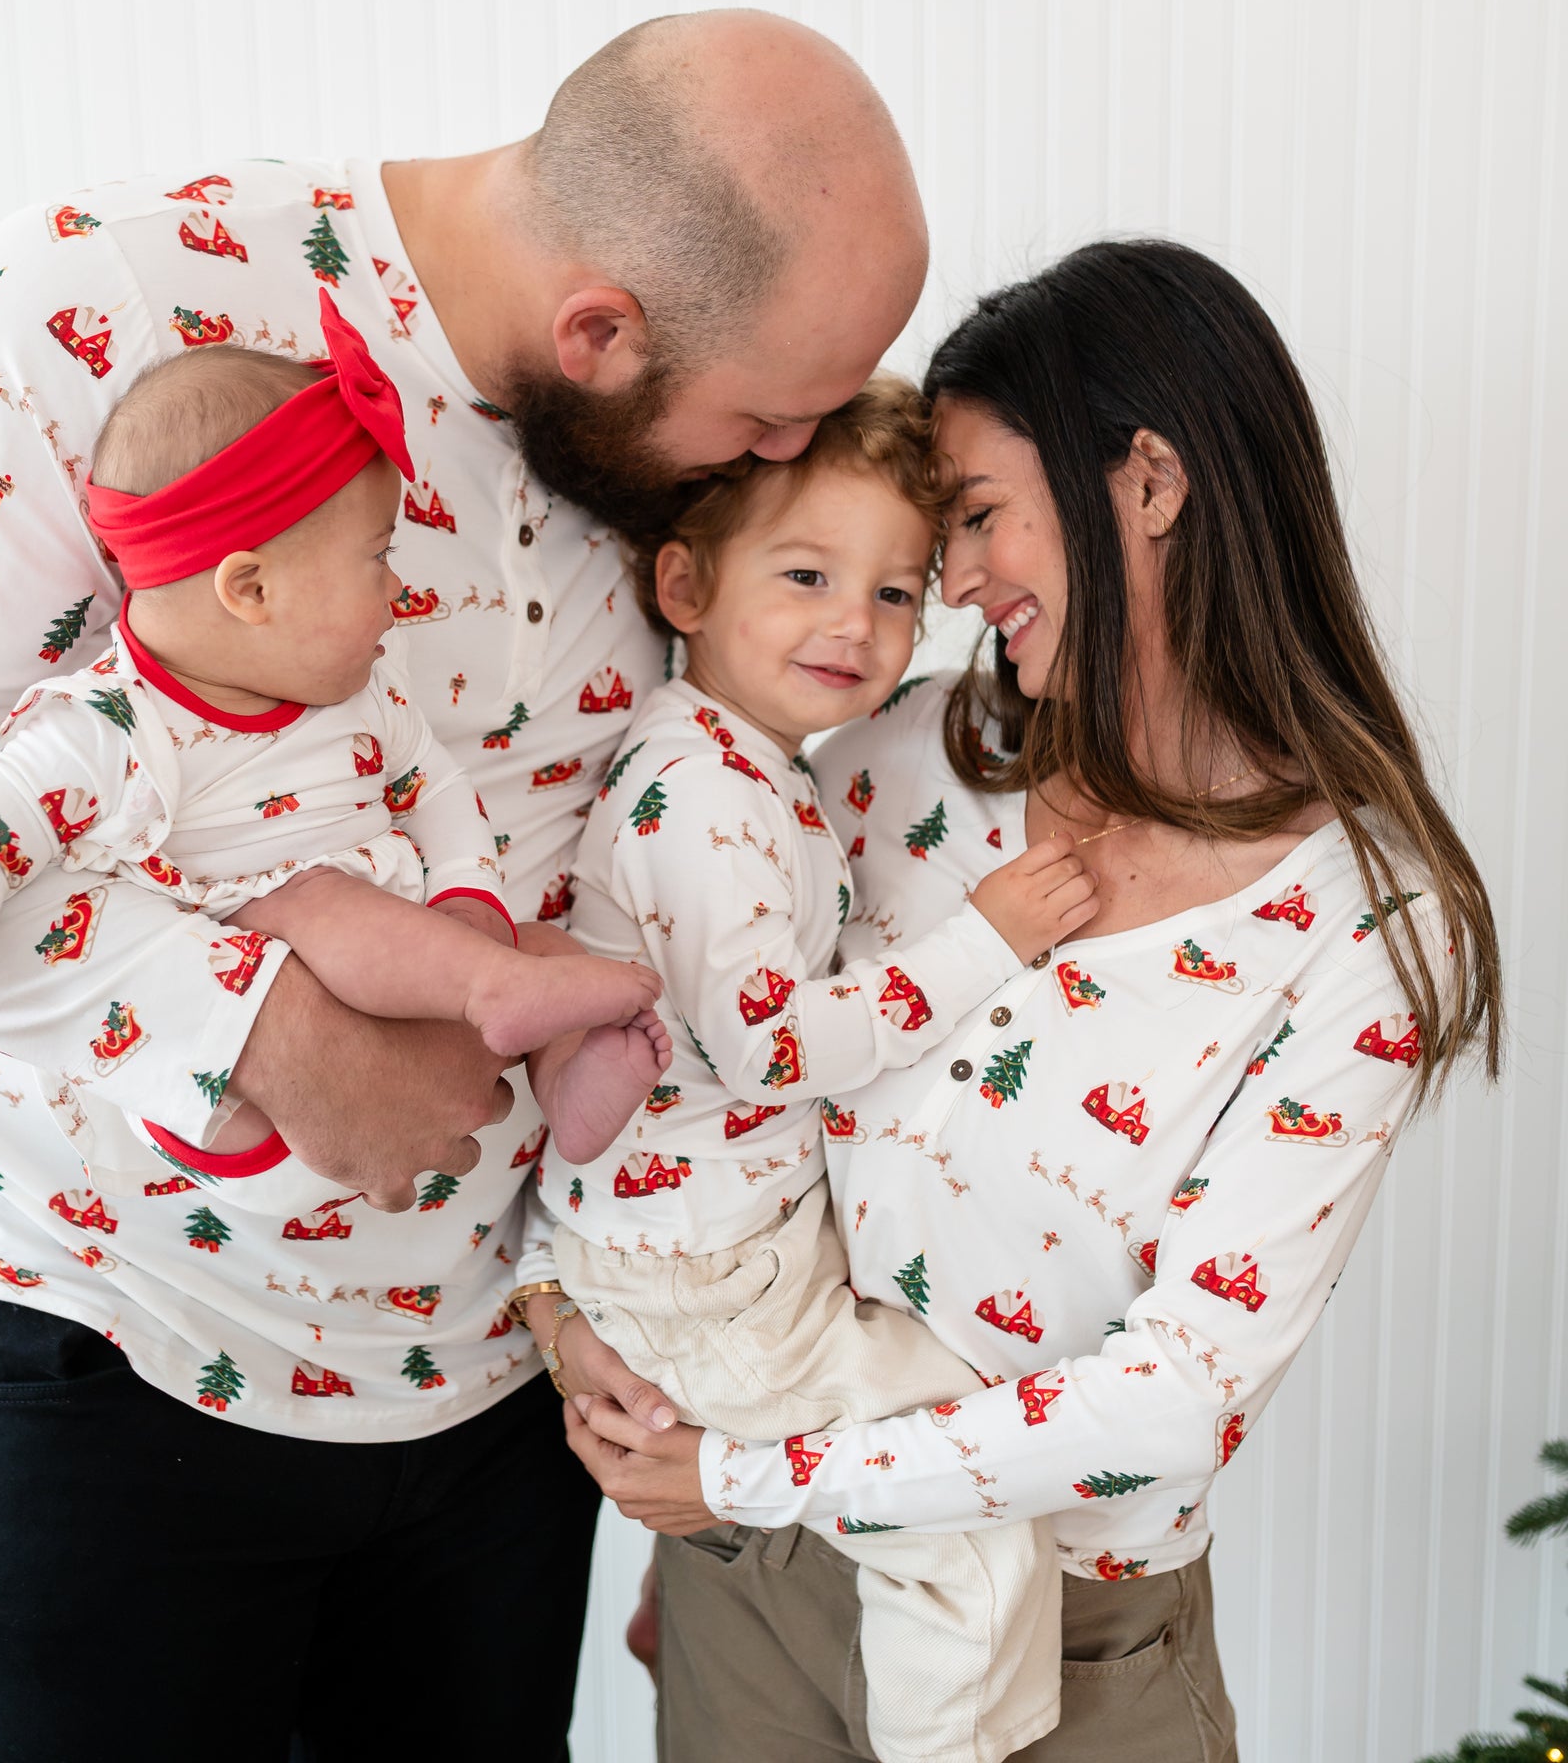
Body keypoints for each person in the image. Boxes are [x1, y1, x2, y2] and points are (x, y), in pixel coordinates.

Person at [0, 11, 928, 1760]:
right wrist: (256, 1031)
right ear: (598, 330)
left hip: (497, 1397)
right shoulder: (117, 293)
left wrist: (620, 1300)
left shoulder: (660, 455)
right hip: (117, 1358)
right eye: (770, 419)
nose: (785, 467)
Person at [560, 239, 1502, 1763]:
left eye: (982, 516)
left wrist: (754, 1485)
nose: (953, 582)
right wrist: (566, 1316)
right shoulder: (881, 756)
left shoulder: (1363, 932)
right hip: (757, 1587)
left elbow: (1181, 1390)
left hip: (1061, 1643)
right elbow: (662, 1045)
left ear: (1148, 483)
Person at [529, 378, 1098, 1763]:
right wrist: (991, 940)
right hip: (712, 1280)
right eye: (807, 575)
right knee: (964, 1501)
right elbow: (773, 1043)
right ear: (685, 584)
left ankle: (703, 1591)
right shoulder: (713, 796)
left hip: (705, 1254)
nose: (858, 624)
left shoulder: (749, 765)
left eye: (899, 593)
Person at [0, 295, 671, 1171]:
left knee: (543, 947)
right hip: (257, 1024)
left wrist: (471, 898)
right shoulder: (105, 731)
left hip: (411, 968)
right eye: (378, 556)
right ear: (250, 589)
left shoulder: (362, 688)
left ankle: (559, 1076)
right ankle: (495, 993)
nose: (399, 592)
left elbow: (431, 786)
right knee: (321, 905)